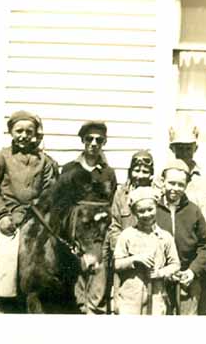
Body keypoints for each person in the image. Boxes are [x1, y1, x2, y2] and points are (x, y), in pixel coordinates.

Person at [0, 110, 57, 313]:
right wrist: (1, 215)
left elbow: (51, 189)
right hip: (10, 216)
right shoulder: (2, 157)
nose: (23, 136)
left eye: (28, 131)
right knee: (7, 254)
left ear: (35, 134)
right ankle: (2, 304)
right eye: (19, 131)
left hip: (37, 217)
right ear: (11, 132)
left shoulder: (44, 161)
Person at [56, 121, 118, 314]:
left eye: (99, 140)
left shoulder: (108, 173)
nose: (93, 143)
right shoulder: (69, 169)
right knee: (75, 275)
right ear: (83, 141)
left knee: (98, 273)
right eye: (89, 139)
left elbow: (111, 202)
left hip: (98, 233)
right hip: (73, 231)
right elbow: (61, 203)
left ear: (104, 142)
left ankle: (94, 313)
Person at [165, 124, 206, 315]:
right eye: (179, 147)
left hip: (197, 262)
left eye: (188, 147)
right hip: (165, 266)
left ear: (195, 148)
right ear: (172, 149)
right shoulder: (161, 180)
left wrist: (201, 258)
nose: (183, 152)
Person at [156, 159, 206, 315]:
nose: (175, 188)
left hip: (187, 280)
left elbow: (204, 245)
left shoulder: (193, 211)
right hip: (159, 280)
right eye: (171, 183)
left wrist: (192, 271)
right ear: (163, 182)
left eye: (180, 184)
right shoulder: (153, 210)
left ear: (186, 185)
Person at [114, 187, 180, 315]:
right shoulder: (127, 235)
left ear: (156, 208)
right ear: (134, 213)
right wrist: (134, 259)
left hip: (156, 295)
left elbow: (175, 264)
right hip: (131, 297)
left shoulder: (165, 237)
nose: (147, 214)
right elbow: (117, 264)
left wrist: (161, 273)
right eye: (141, 211)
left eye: (150, 209)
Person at [106, 150, 157, 313]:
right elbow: (114, 225)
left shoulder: (157, 194)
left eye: (145, 171)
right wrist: (123, 251)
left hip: (151, 259)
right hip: (126, 260)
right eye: (136, 170)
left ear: (151, 174)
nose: (140, 175)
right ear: (130, 171)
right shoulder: (121, 194)